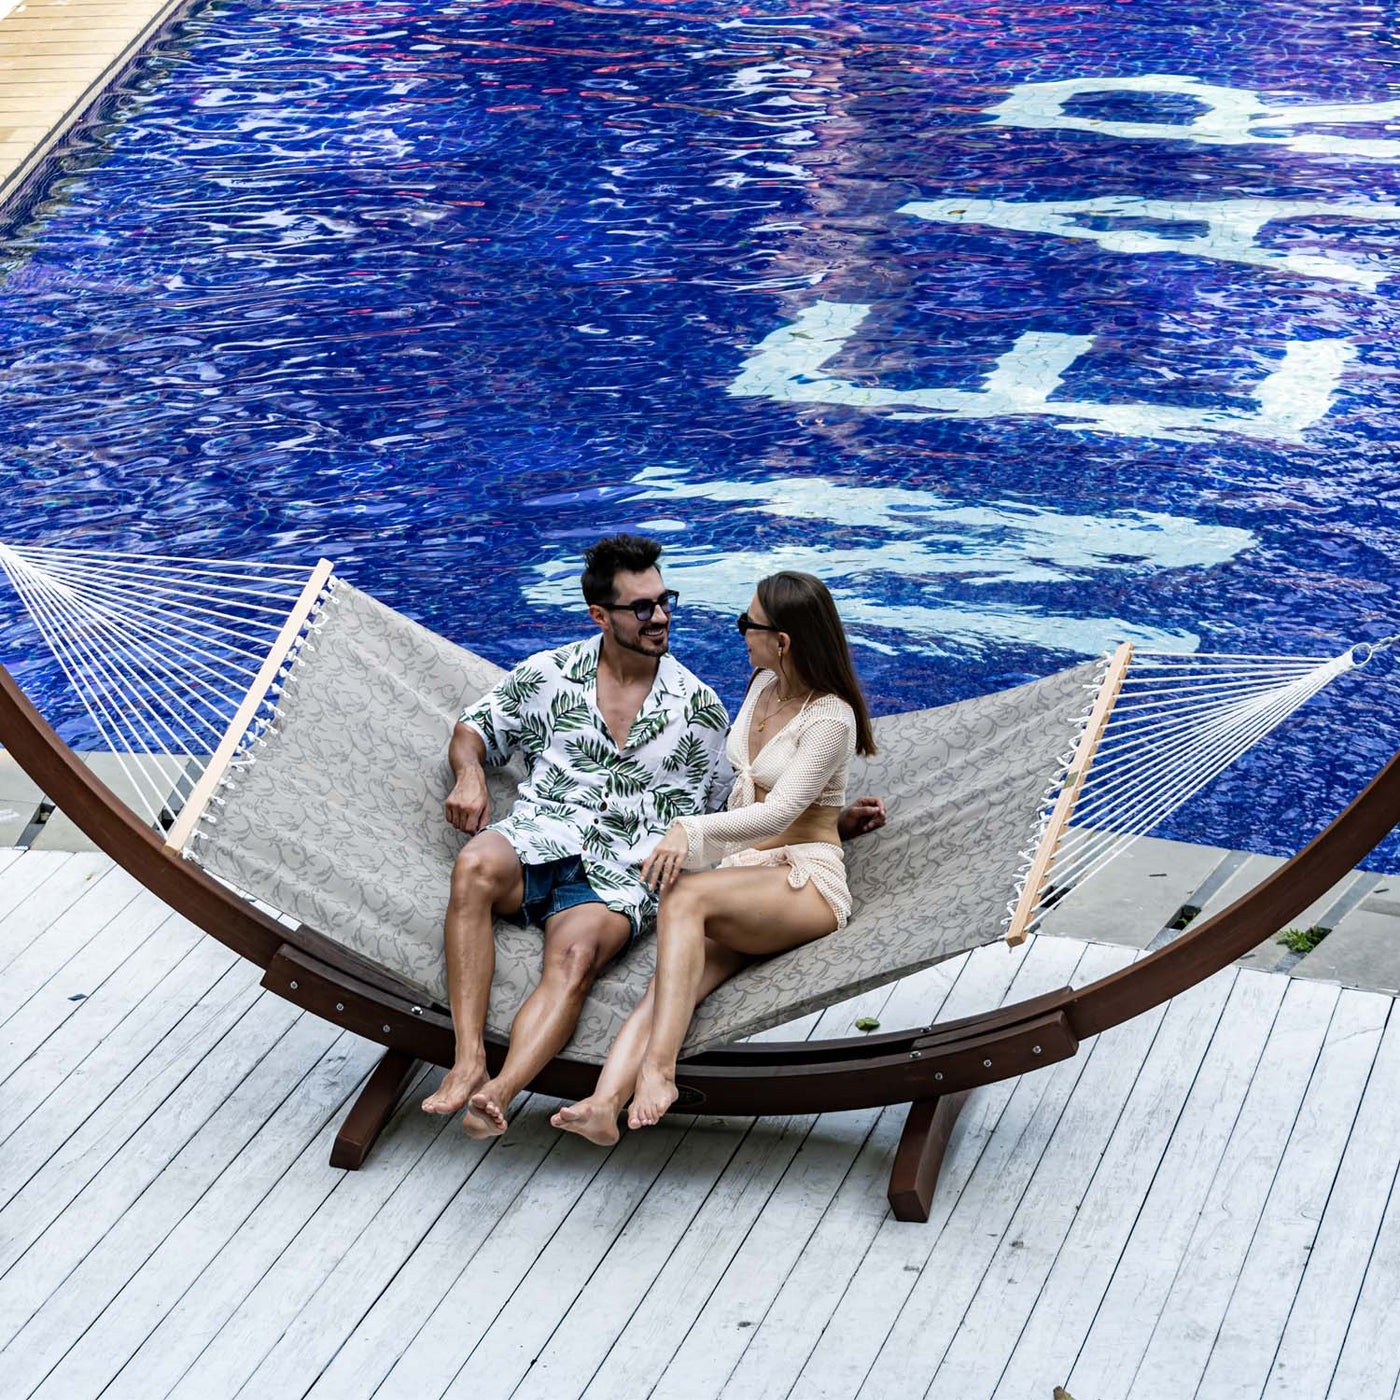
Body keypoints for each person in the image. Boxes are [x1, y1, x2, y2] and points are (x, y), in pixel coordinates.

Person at [422, 537, 883, 1139]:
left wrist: (832, 821)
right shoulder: (547, 675)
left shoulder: (701, 709)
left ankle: (500, 1092)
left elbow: (747, 803)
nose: (661, 616)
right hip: (538, 836)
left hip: (621, 872)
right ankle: (467, 1061)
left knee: (579, 958)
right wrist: (469, 775)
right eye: (642, 607)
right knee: (474, 866)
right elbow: (473, 729)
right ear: (600, 616)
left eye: (665, 601)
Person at [551, 570, 881, 1143]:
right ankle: (604, 1105)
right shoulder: (762, 686)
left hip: (805, 881)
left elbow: (780, 814)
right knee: (671, 986)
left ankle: (660, 1071)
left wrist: (687, 831)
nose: (739, 632)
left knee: (684, 894)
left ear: (783, 640)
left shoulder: (831, 717)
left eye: (747, 623)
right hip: (744, 876)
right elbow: (751, 790)